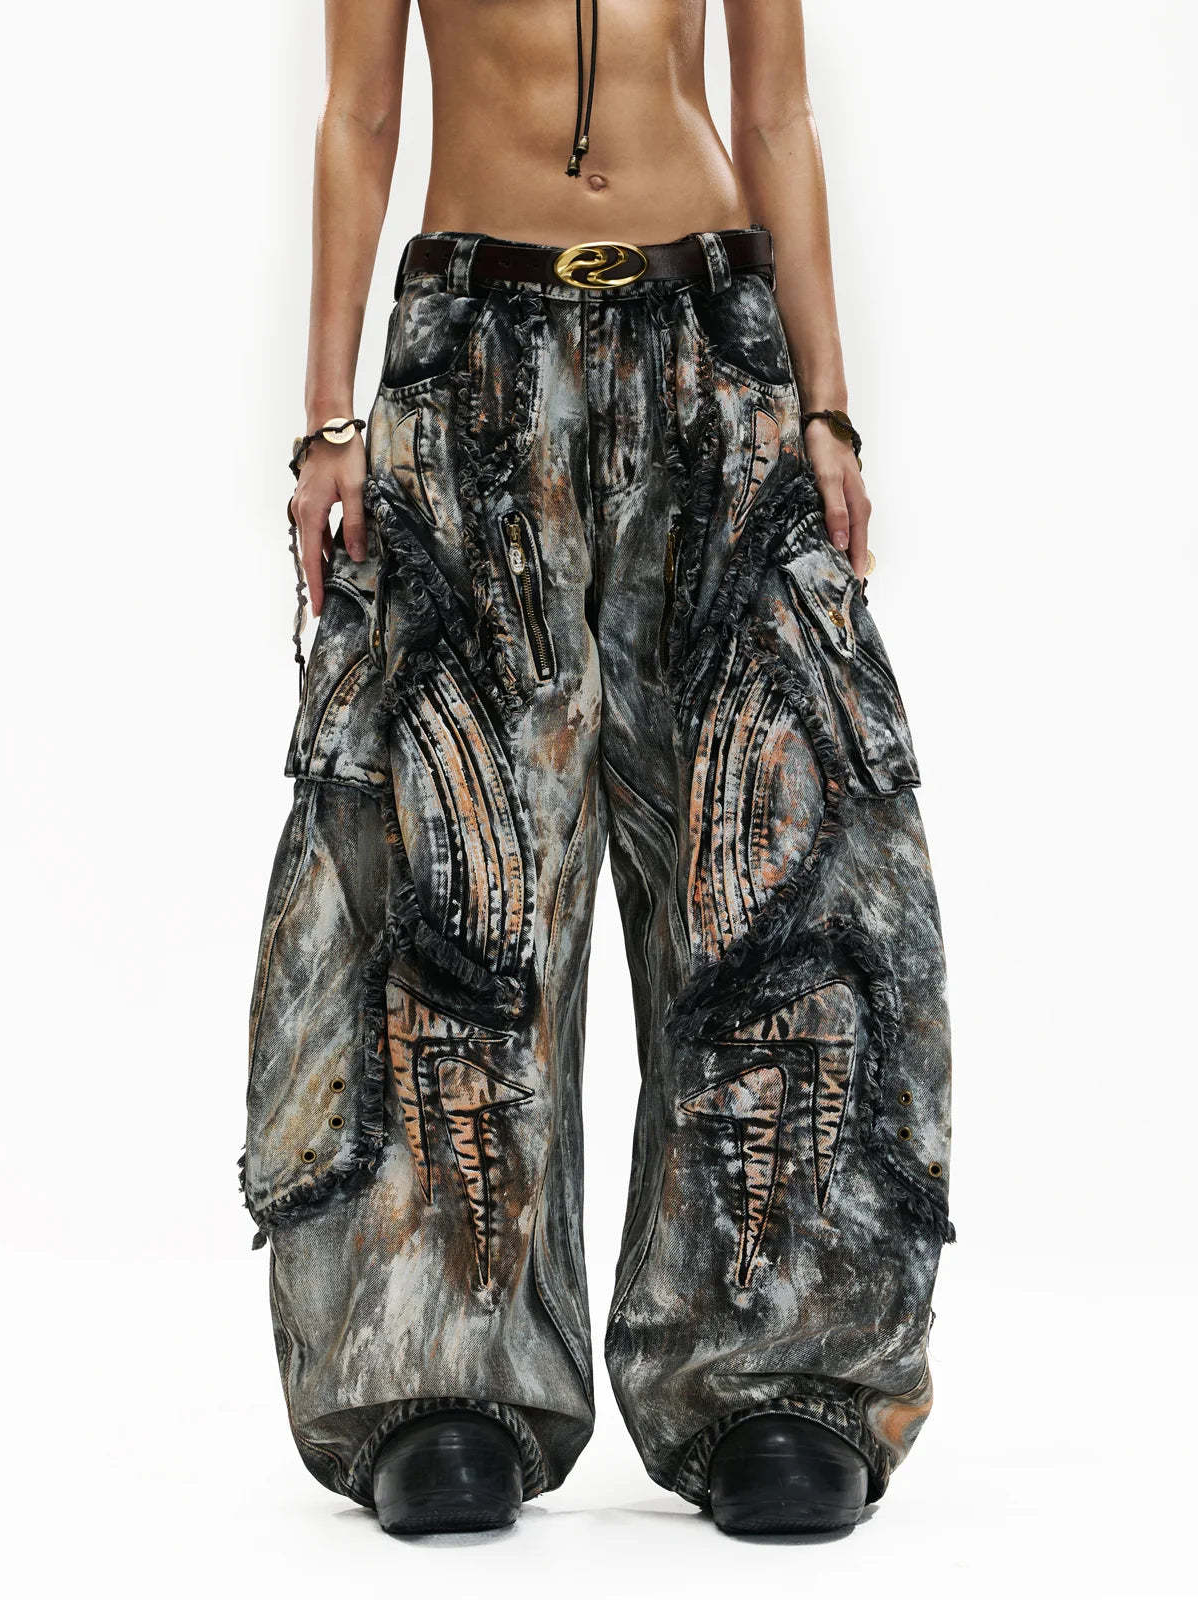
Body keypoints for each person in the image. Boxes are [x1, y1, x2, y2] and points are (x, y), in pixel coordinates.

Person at [244, 0, 953, 1539]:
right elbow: (359, 115)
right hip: (471, 349)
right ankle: (444, 1375)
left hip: (711, 347)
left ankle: (774, 1373)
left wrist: (825, 403)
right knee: (456, 860)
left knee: (767, 852)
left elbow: (775, 115)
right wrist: (327, 421)